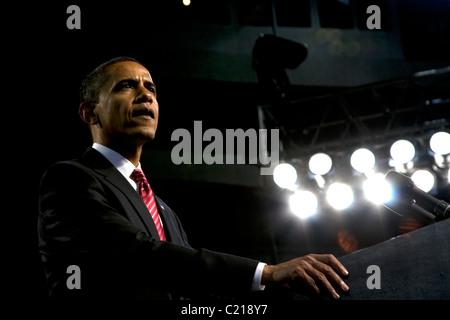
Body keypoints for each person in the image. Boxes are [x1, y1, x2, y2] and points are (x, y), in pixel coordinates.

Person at [38, 56, 349, 301]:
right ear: (90, 113)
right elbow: (138, 255)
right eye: (127, 86)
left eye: (152, 88)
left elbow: (194, 292)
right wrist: (266, 273)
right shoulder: (69, 179)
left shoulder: (164, 211)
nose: (146, 94)